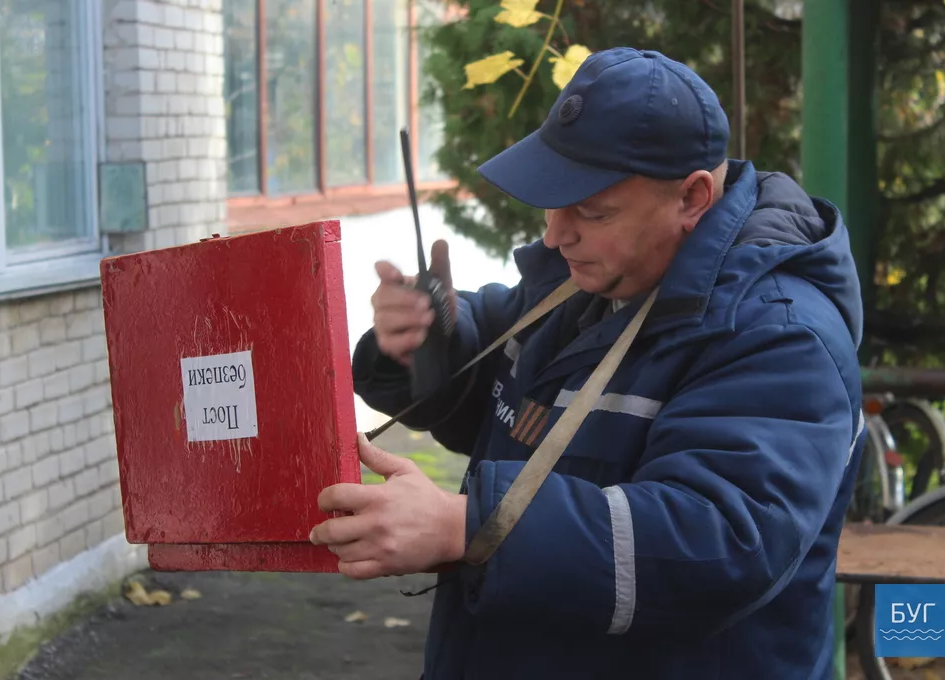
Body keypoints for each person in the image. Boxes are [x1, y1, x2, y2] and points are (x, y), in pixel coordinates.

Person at [309, 47, 866, 680]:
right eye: (553, 201)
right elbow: (509, 402)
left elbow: (718, 543)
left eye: (592, 211)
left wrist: (466, 526)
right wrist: (430, 336)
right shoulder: (585, 282)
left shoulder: (780, 336)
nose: (555, 234)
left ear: (692, 198)